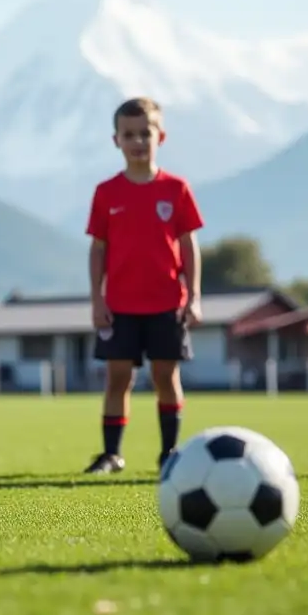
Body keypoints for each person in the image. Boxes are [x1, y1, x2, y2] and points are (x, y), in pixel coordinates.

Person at [83, 97, 203, 476]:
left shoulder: (177, 189)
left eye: (145, 133)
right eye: (128, 134)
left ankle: (169, 454)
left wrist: (195, 296)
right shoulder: (106, 192)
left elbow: (188, 245)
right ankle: (111, 455)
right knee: (118, 377)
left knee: (166, 377)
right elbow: (97, 249)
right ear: (115, 140)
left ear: (160, 136)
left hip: (167, 302)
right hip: (120, 305)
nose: (137, 141)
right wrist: (97, 299)